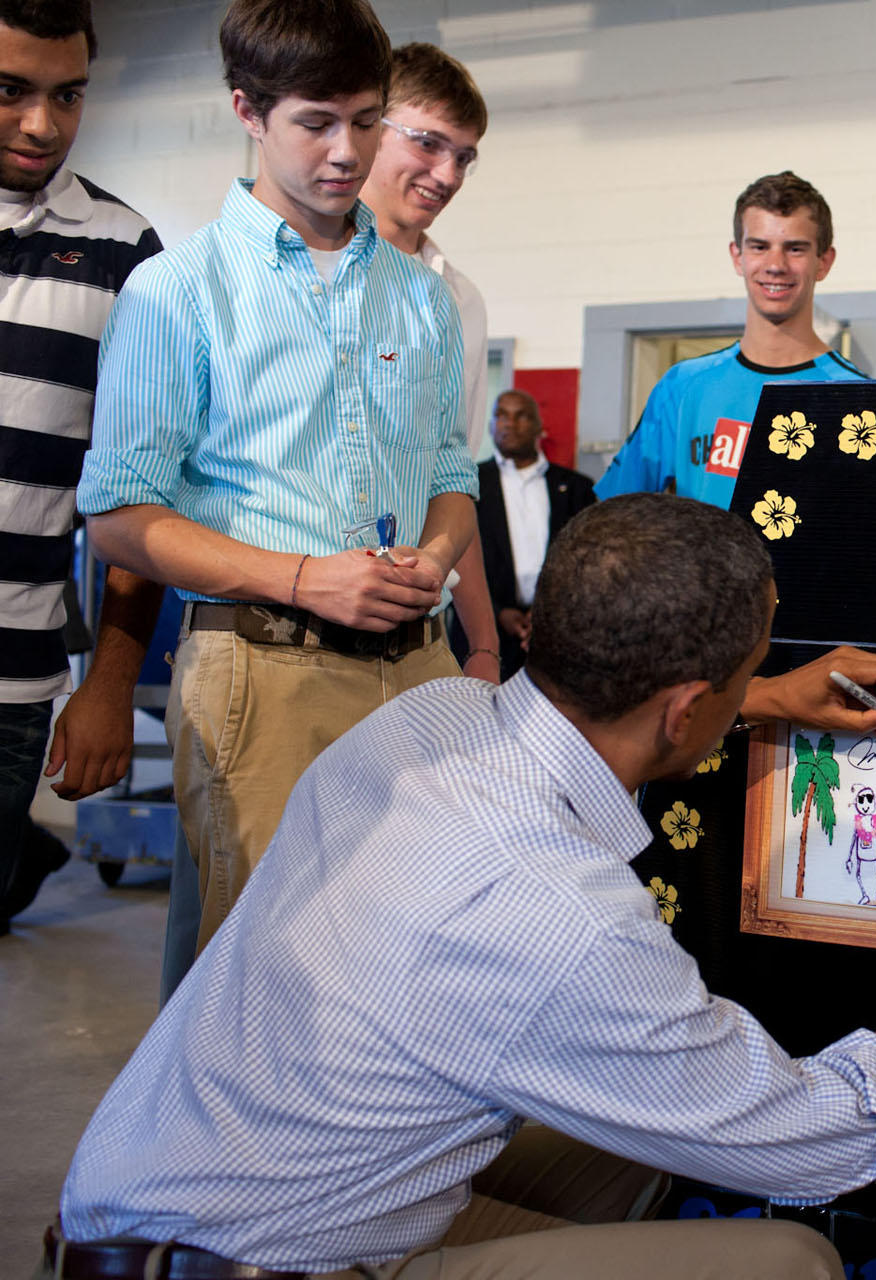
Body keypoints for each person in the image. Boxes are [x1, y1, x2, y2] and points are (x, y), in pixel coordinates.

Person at [53, 494, 876, 1280]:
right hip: (281, 1260)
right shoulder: (565, 918)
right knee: (792, 1259)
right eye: (747, 667)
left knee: (628, 1156)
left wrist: (753, 701)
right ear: (681, 706)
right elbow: (827, 1141)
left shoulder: (424, 722)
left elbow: (599, 726)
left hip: (142, 1201)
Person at [76, 0, 477, 954]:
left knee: (418, 958)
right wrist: (303, 577)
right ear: (248, 111)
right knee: (267, 977)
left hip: (420, 667)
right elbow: (120, 517)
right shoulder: (179, 290)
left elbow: (451, 474)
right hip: (263, 671)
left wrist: (436, 552)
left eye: (367, 119)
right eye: (316, 122)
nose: (347, 151)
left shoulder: (422, 295)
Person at [0, 0, 164, 932]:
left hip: (14, 686)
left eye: (68, 96)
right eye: (10, 92)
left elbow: (141, 490)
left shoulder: (127, 256)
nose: (42, 124)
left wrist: (107, 685)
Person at [360, 40, 503, 685]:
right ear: (369, 127)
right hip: (292, 621)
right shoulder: (291, 271)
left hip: (418, 632)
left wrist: (483, 644)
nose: (447, 174)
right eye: (426, 143)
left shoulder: (459, 298)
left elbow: (455, 481)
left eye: (464, 157)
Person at [596, 170, 864, 510]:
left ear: (824, 262)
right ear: (738, 256)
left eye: (795, 248)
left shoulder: (854, 396)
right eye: (760, 247)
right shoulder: (683, 387)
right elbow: (612, 514)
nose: (775, 265)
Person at [474, 388, 596, 677]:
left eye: (521, 416)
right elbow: (459, 562)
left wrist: (549, 610)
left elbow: (588, 559)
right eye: (500, 415)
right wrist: (496, 611)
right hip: (485, 635)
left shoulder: (576, 487)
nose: (508, 424)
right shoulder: (470, 484)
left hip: (558, 633)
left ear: (539, 427)